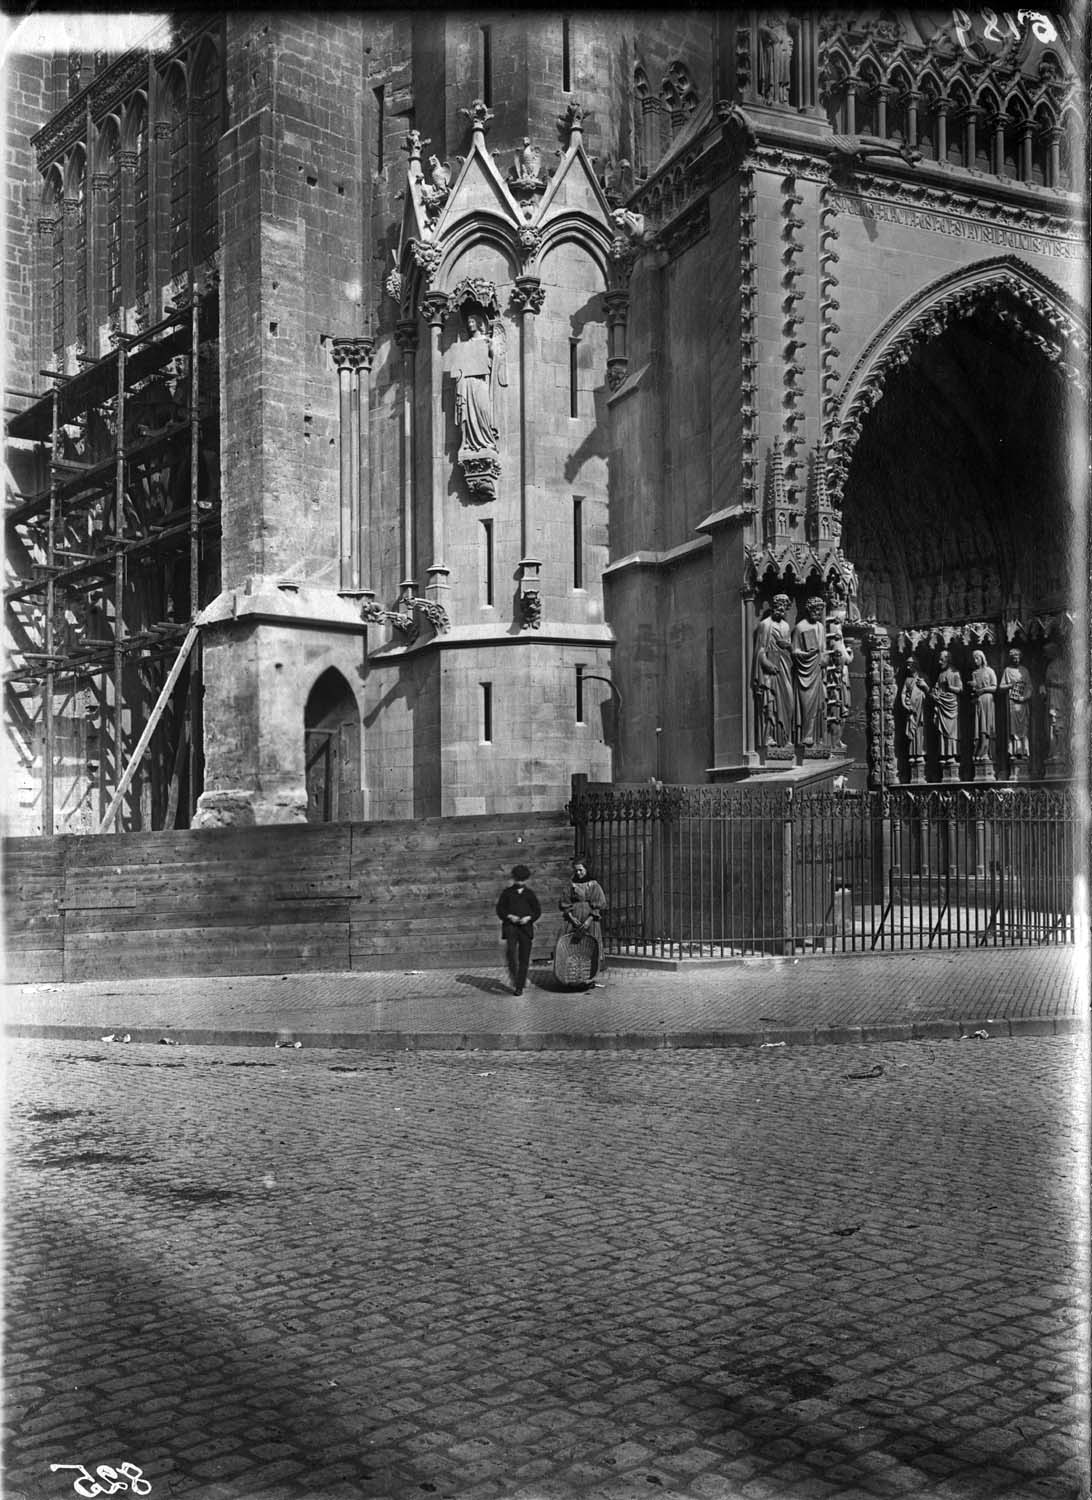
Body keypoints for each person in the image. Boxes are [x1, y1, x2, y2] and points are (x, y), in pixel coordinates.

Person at [751, 593, 793, 749]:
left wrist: (788, 646)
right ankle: (769, 737)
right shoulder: (765, 625)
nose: (781, 609)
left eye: (784, 606)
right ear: (773, 607)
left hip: (785, 668)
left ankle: (785, 737)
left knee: (788, 700)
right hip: (770, 669)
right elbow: (760, 650)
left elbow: (790, 648)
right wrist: (766, 663)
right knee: (770, 702)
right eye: (778, 606)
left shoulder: (787, 626)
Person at [557, 860, 608, 989]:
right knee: (573, 945)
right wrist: (572, 918)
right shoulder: (571, 884)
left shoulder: (594, 885)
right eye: (576, 870)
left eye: (581, 870)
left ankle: (590, 976)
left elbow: (600, 903)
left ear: (586, 869)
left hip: (589, 920)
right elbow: (564, 903)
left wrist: (589, 920)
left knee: (591, 945)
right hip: (574, 920)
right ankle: (572, 976)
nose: (578, 873)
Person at [495, 864, 541, 996]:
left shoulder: (529, 894)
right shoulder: (507, 893)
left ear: (526, 880)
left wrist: (529, 918)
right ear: (514, 879)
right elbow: (500, 909)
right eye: (517, 879)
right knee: (511, 954)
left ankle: (519, 985)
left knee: (524, 957)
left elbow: (537, 911)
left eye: (522, 880)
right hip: (511, 928)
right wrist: (509, 916)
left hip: (526, 929)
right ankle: (516, 980)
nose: (519, 882)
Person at [792, 596, 826, 748]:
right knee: (806, 705)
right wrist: (806, 655)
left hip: (817, 671)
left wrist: (824, 658)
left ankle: (814, 736)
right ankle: (804, 736)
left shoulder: (820, 627)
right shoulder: (800, 627)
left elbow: (823, 650)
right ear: (810, 610)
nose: (818, 613)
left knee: (818, 705)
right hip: (803, 672)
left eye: (820, 610)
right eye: (816, 609)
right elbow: (794, 651)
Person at [999, 647, 1032, 762]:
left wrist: (1024, 697)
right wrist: (1010, 685)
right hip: (1012, 703)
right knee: (1012, 729)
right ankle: (1013, 751)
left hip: (1022, 703)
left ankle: (1023, 751)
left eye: (1018, 657)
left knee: (1023, 728)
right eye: (1014, 657)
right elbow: (1001, 686)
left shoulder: (1025, 671)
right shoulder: (1007, 671)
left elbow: (1029, 687)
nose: (1016, 659)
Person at [931, 649, 963, 763]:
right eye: (939, 659)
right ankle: (944, 754)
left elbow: (960, 689)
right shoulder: (941, 674)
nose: (940, 662)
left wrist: (950, 688)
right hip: (942, 704)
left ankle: (952, 755)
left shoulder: (955, 673)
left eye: (942, 659)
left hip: (951, 705)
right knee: (942, 731)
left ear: (948, 659)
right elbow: (938, 689)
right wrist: (935, 694)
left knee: (951, 731)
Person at [969, 649, 997, 763]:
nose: (976, 661)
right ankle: (979, 751)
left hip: (988, 700)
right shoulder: (974, 673)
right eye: (974, 659)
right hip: (979, 702)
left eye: (978, 658)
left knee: (987, 727)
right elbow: (974, 690)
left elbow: (994, 687)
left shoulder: (989, 671)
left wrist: (983, 690)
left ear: (982, 658)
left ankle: (986, 752)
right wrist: (974, 690)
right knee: (979, 727)